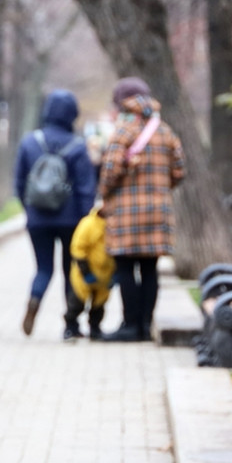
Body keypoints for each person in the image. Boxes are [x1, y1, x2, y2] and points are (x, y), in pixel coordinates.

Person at [99, 76, 185, 342]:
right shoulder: (165, 130)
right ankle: (147, 326)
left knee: (125, 268)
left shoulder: (123, 129)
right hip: (158, 212)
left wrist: (104, 194)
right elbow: (180, 171)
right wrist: (160, 188)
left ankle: (130, 325)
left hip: (126, 213)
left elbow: (110, 171)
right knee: (149, 269)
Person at [13, 89, 98, 340]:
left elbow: (19, 182)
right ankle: (71, 325)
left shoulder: (30, 142)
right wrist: (85, 220)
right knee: (71, 270)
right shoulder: (78, 146)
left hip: (38, 218)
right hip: (71, 219)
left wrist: (29, 209)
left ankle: (34, 300)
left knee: (43, 269)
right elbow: (86, 189)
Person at [68, 204, 116, 340]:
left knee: (99, 305)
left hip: (105, 275)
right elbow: (78, 248)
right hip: (84, 274)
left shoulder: (115, 225)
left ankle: (95, 328)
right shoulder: (88, 224)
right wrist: (85, 271)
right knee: (76, 302)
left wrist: (116, 273)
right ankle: (70, 326)